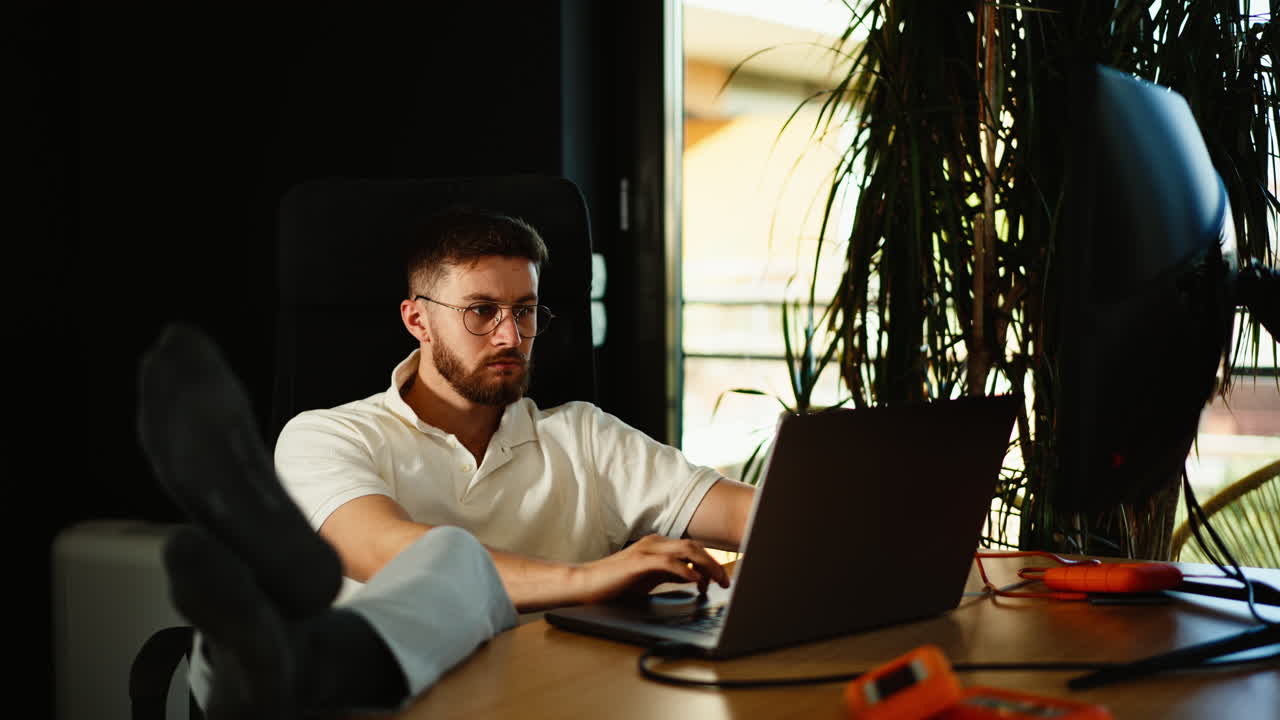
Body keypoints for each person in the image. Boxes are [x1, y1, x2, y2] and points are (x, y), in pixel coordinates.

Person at [137, 207, 755, 718]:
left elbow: (758, 516)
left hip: (541, 705)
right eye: (481, 311)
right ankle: (284, 652)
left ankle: (286, 654)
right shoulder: (328, 435)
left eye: (526, 310)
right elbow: (387, 551)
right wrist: (589, 580)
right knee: (444, 554)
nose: (510, 335)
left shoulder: (584, 436)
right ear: (417, 319)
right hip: (384, 709)